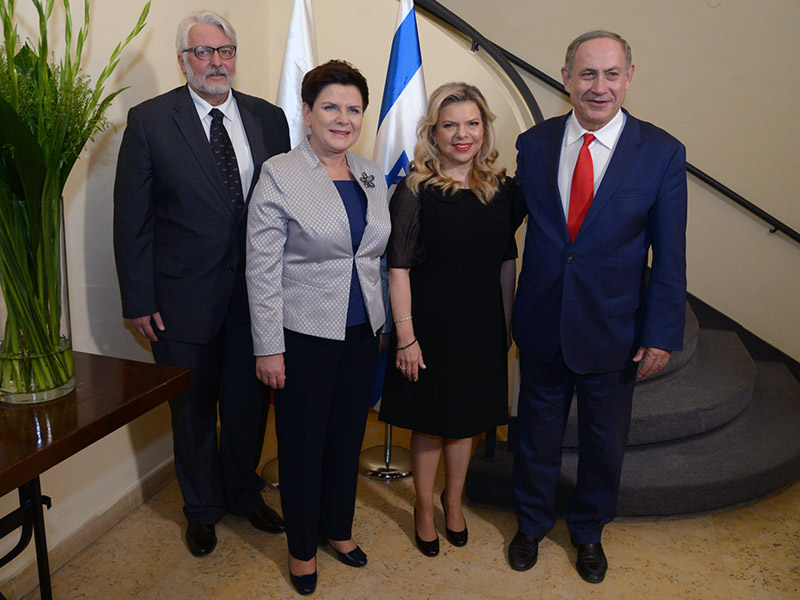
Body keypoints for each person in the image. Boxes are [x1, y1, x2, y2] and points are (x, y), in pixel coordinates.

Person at [509, 30, 687, 583]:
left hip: (614, 330)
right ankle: (531, 523)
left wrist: (660, 332)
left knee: (604, 446)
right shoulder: (533, 145)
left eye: (611, 74)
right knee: (535, 436)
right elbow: (505, 224)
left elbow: (670, 253)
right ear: (566, 79)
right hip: (542, 321)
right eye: (587, 74)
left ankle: (588, 532)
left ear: (629, 78)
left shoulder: (661, 153)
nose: (600, 86)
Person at [113, 11, 290, 558]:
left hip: (255, 297)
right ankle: (201, 509)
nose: (216, 62)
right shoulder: (149, 121)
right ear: (184, 61)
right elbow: (131, 218)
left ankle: (241, 492)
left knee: (247, 404)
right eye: (204, 53)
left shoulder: (270, 118)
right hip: (179, 301)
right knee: (191, 411)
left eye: (226, 51)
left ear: (235, 56)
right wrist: (139, 299)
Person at [245, 60, 390, 596]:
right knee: (303, 444)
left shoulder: (372, 174)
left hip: (361, 334)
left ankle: (338, 529)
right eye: (331, 106)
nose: (343, 118)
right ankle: (302, 547)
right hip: (301, 337)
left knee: (347, 436)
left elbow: (372, 257)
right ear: (306, 112)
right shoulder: (280, 172)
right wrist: (269, 348)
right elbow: (260, 268)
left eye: (353, 109)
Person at [379, 83, 518, 557]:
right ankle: (422, 508)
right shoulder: (415, 190)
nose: (463, 134)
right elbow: (396, 266)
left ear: (485, 129)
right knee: (431, 422)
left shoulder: (502, 190)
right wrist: (406, 338)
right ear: (433, 132)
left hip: (481, 326)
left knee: (466, 421)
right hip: (429, 326)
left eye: (472, 123)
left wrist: (507, 325)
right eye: (451, 124)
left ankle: (452, 502)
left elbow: (506, 259)